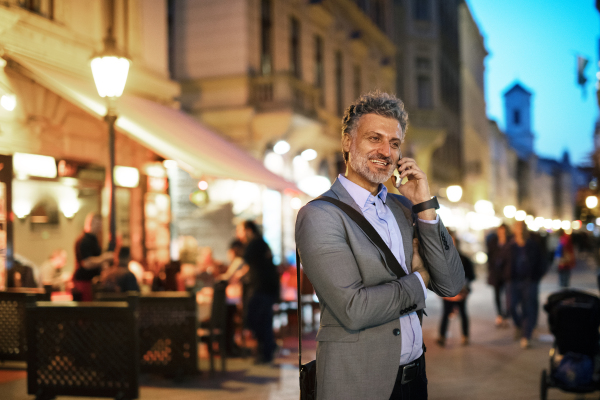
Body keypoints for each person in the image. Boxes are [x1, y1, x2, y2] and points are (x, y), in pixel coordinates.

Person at [295, 92, 464, 400]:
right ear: (348, 142)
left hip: (415, 380)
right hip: (358, 382)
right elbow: (354, 310)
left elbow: (452, 283)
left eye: (395, 143)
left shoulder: (402, 208)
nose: (386, 151)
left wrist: (425, 207)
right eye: (375, 138)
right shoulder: (320, 215)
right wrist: (420, 279)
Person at [236, 220, 280, 364]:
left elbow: (242, 264)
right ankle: (268, 348)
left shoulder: (254, 243)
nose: (239, 235)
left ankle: (267, 351)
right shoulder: (262, 243)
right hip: (269, 287)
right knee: (263, 319)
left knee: (257, 319)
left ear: (248, 230)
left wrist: (231, 277)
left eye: (240, 231)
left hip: (261, 287)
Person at [508, 220, 546, 349]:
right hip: (513, 281)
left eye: (522, 228)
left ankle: (526, 335)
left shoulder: (533, 245)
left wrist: (537, 277)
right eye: (518, 228)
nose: (520, 231)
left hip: (529, 281)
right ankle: (519, 325)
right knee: (511, 306)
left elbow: (542, 262)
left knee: (528, 308)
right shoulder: (511, 246)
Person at [437, 233, 476, 347]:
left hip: (461, 291)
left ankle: (465, 336)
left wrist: (464, 286)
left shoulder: (464, 259)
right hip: (447, 292)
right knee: (445, 313)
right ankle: (442, 336)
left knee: (463, 313)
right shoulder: (441, 259)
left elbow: (471, 276)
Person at [72, 213, 114, 301]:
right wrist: (105, 258)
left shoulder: (94, 240)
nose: (99, 227)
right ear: (90, 223)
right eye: (97, 224)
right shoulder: (84, 240)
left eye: (100, 225)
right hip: (85, 281)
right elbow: (87, 263)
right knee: (87, 309)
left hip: (91, 281)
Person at [485, 224, 512, 327]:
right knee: (497, 295)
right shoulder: (493, 242)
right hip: (496, 274)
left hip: (507, 273)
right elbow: (490, 256)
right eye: (500, 231)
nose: (502, 233)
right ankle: (500, 314)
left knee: (508, 296)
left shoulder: (510, 242)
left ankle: (506, 315)